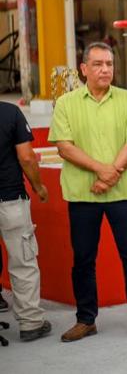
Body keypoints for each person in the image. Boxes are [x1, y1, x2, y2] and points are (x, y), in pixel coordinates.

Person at [49, 42, 127, 341]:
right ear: (83, 69)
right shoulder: (66, 103)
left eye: (109, 64)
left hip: (122, 195)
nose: (105, 69)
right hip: (83, 195)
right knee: (83, 259)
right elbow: (64, 147)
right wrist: (102, 170)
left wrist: (109, 177)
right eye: (98, 64)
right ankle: (86, 319)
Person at [0, 100, 50, 341]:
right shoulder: (10, 112)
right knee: (22, 261)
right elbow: (27, 157)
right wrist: (38, 186)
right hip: (9, 199)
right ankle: (31, 323)